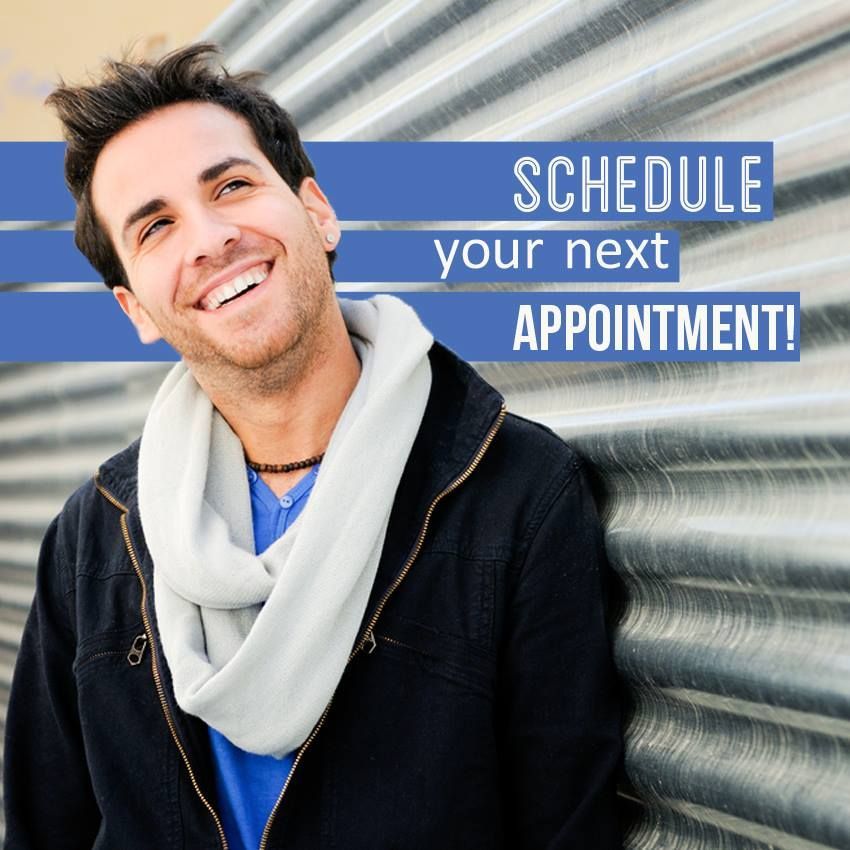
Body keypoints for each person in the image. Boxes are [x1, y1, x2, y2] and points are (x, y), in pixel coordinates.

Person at [3, 43, 623, 850]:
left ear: (318, 211)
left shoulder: (514, 491)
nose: (211, 237)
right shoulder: (98, 538)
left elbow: (568, 826)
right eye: (156, 227)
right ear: (136, 311)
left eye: (231, 185)